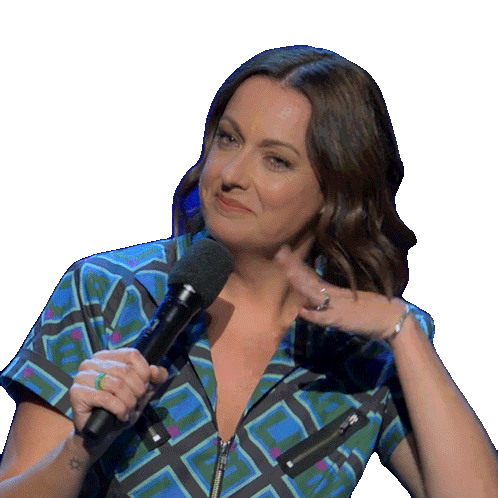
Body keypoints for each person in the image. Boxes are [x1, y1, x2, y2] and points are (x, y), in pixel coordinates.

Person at [0, 46, 497, 498]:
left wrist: (402, 330)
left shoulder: (368, 351)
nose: (231, 175)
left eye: (276, 160)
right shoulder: (108, 293)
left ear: (336, 191)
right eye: (228, 138)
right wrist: (81, 448)